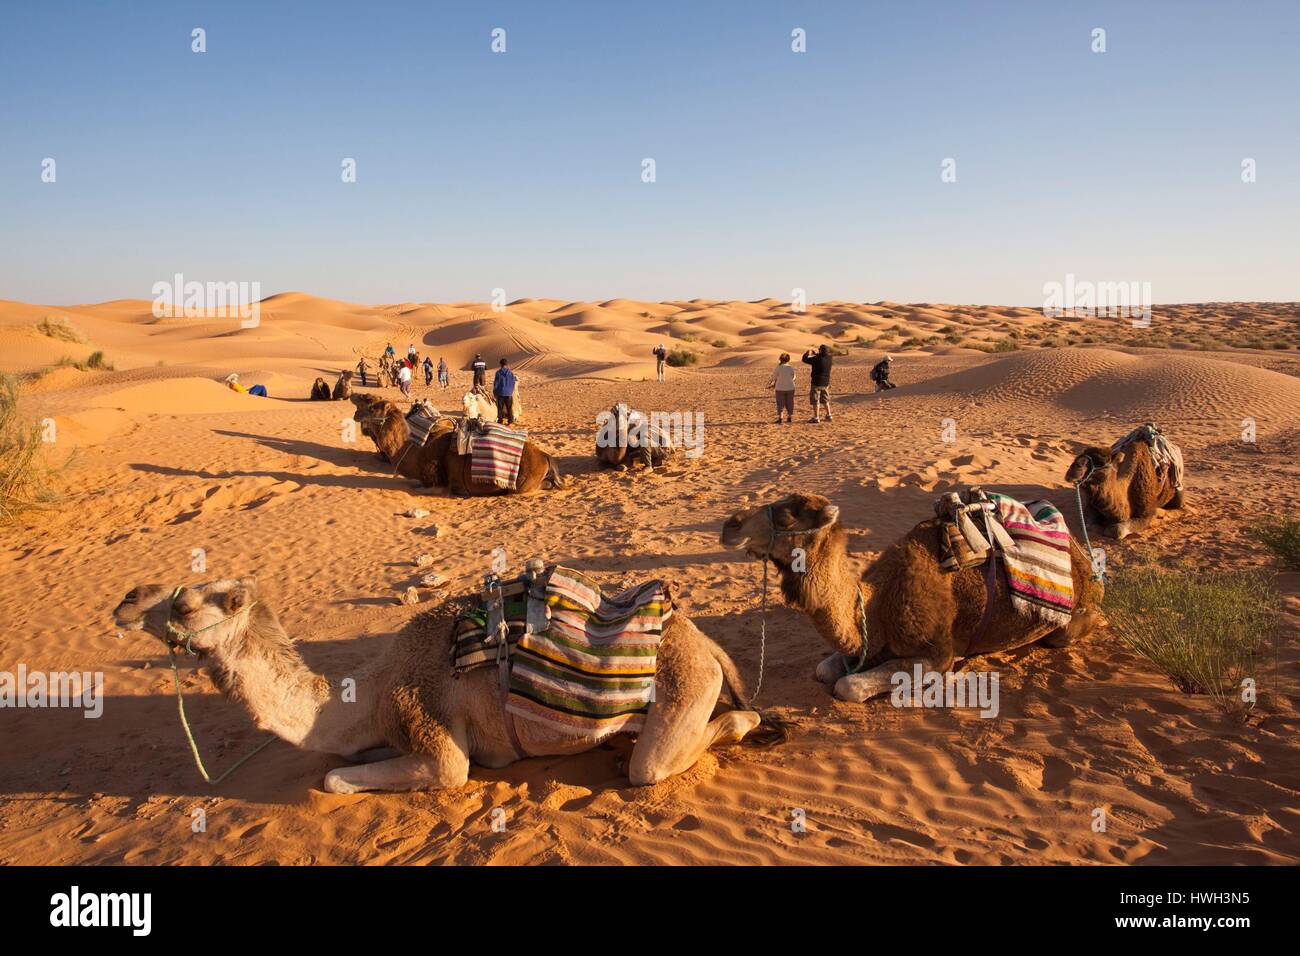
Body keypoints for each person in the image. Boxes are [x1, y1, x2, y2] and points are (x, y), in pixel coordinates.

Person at [801, 345, 833, 423]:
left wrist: (807, 353)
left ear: (821, 350)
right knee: (825, 399)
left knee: (815, 400)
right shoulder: (830, 358)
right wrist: (817, 354)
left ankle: (816, 417)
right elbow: (823, 357)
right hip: (825, 383)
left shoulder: (816, 359)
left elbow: (805, 360)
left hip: (816, 382)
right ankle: (829, 415)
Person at [768, 353, 796, 424]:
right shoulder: (790, 367)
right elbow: (794, 377)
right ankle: (789, 417)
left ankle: (780, 418)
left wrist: (774, 383)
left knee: (780, 403)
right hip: (790, 387)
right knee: (790, 402)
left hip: (780, 388)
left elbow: (773, 377)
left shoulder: (778, 367)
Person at [493, 357, 517, 425]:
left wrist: (494, 392)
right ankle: (510, 420)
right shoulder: (510, 373)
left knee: (500, 408)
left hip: (500, 393)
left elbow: (496, 383)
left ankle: (500, 421)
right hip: (509, 393)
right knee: (509, 408)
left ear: (500, 364)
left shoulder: (498, 373)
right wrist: (511, 390)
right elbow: (513, 382)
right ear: (506, 364)